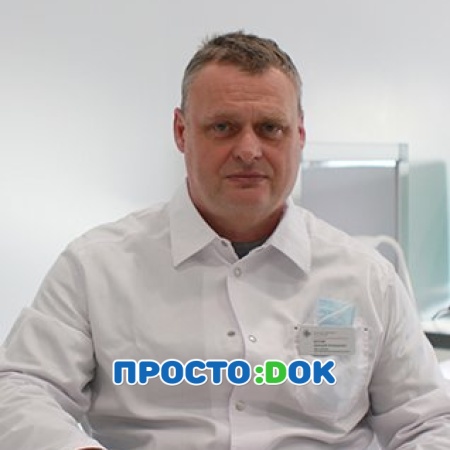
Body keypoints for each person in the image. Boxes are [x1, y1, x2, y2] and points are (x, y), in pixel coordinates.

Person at [0, 31, 449, 450]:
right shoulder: (95, 267)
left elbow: (430, 422)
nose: (249, 150)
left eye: (270, 128)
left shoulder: (366, 278)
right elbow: (21, 389)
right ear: (181, 132)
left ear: (300, 134)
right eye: (223, 127)